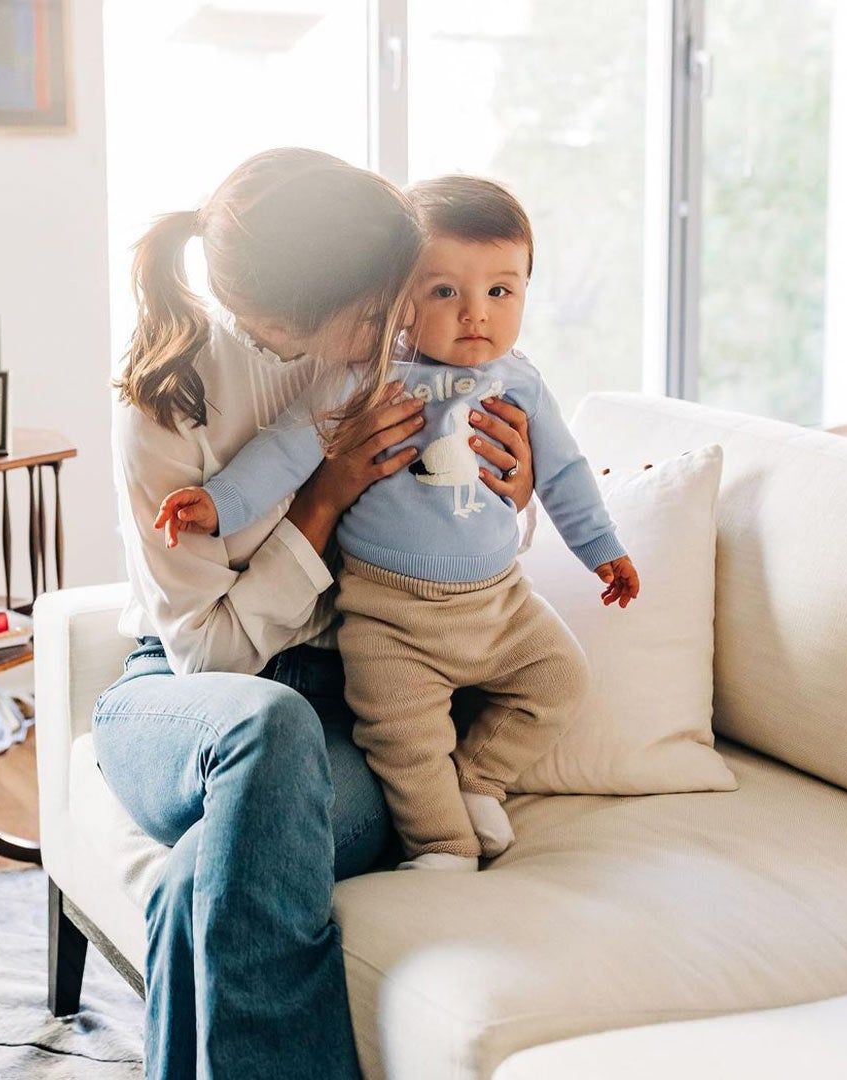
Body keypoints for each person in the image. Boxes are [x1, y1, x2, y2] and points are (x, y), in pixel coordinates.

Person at [94, 149, 535, 1080]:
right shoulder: (166, 404)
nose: (402, 323)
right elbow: (206, 654)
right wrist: (322, 501)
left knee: (196, 885)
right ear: (281, 321)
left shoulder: (386, 360)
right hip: (183, 703)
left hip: (352, 708)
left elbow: (457, 545)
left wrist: (512, 491)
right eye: (380, 310)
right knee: (270, 719)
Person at [157, 175, 641, 871]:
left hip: (501, 604)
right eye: (445, 291)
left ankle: (479, 779)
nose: (476, 313)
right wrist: (218, 503)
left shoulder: (523, 383)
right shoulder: (368, 374)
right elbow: (290, 447)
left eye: (500, 292)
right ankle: (441, 847)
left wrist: (603, 549)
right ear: (397, 297)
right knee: (403, 739)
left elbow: (563, 474)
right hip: (390, 616)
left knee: (560, 678)